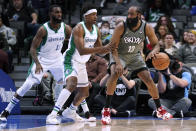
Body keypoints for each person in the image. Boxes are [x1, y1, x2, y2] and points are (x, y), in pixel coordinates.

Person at [101, 6, 173, 125]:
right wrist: (118, 63)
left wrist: (153, 52)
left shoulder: (146, 27)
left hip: (135, 55)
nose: (129, 17)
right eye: (128, 14)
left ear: (139, 15)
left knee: (149, 79)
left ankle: (160, 109)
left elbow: (156, 45)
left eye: (131, 14)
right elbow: (112, 47)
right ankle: (106, 110)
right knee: (115, 74)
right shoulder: (121, 26)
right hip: (119, 54)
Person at [0, 5, 72, 122]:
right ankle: (7, 110)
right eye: (56, 12)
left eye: (60, 12)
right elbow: (32, 49)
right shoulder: (43, 29)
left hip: (57, 59)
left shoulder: (66, 28)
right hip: (42, 60)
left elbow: (73, 41)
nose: (59, 14)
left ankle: (57, 110)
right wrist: (37, 63)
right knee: (27, 85)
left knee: (66, 81)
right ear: (50, 14)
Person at [46, 3, 113, 125]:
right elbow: (81, 50)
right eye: (92, 14)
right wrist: (101, 49)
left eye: (96, 15)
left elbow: (100, 50)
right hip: (70, 61)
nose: (95, 17)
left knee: (84, 92)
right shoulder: (79, 28)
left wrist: (110, 48)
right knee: (71, 84)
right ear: (85, 16)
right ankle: (52, 115)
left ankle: (71, 111)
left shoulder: (96, 30)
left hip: (82, 63)